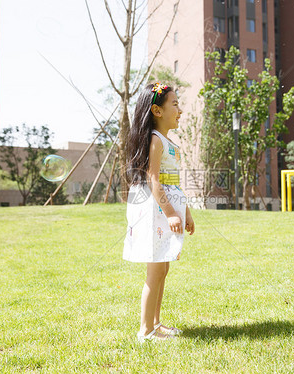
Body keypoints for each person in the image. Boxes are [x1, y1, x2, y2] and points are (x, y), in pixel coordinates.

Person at [123, 82, 196, 343]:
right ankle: (145, 330)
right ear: (156, 110)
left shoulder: (168, 141)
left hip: (166, 212)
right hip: (155, 213)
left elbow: (173, 182)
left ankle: (155, 323)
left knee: (163, 269)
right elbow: (153, 179)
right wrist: (170, 213)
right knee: (155, 271)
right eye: (174, 104)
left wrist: (185, 211)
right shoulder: (155, 140)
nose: (180, 110)